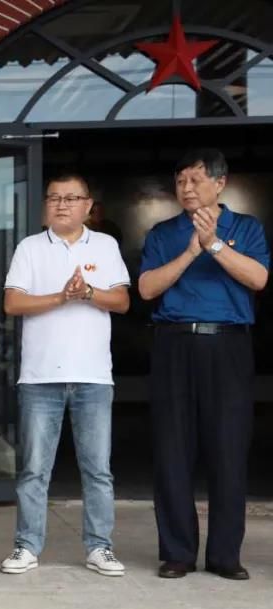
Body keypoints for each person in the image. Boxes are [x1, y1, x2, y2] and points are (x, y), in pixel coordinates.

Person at [138, 149, 268, 581]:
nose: (187, 189)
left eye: (195, 180)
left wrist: (213, 244)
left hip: (227, 344)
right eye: (180, 181)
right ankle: (177, 552)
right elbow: (147, 288)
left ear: (220, 183)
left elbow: (258, 278)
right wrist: (191, 251)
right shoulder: (164, 233)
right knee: (172, 449)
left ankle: (225, 555)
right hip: (174, 343)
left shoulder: (245, 228)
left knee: (228, 448)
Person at [0, 172, 130, 577]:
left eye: (71, 198)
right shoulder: (30, 247)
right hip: (40, 377)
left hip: (93, 376)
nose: (62, 205)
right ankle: (26, 546)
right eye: (54, 198)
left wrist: (88, 292)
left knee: (98, 470)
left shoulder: (105, 245)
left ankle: (99, 546)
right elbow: (12, 303)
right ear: (45, 205)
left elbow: (122, 300)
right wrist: (62, 296)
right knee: (34, 470)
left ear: (88, 206)